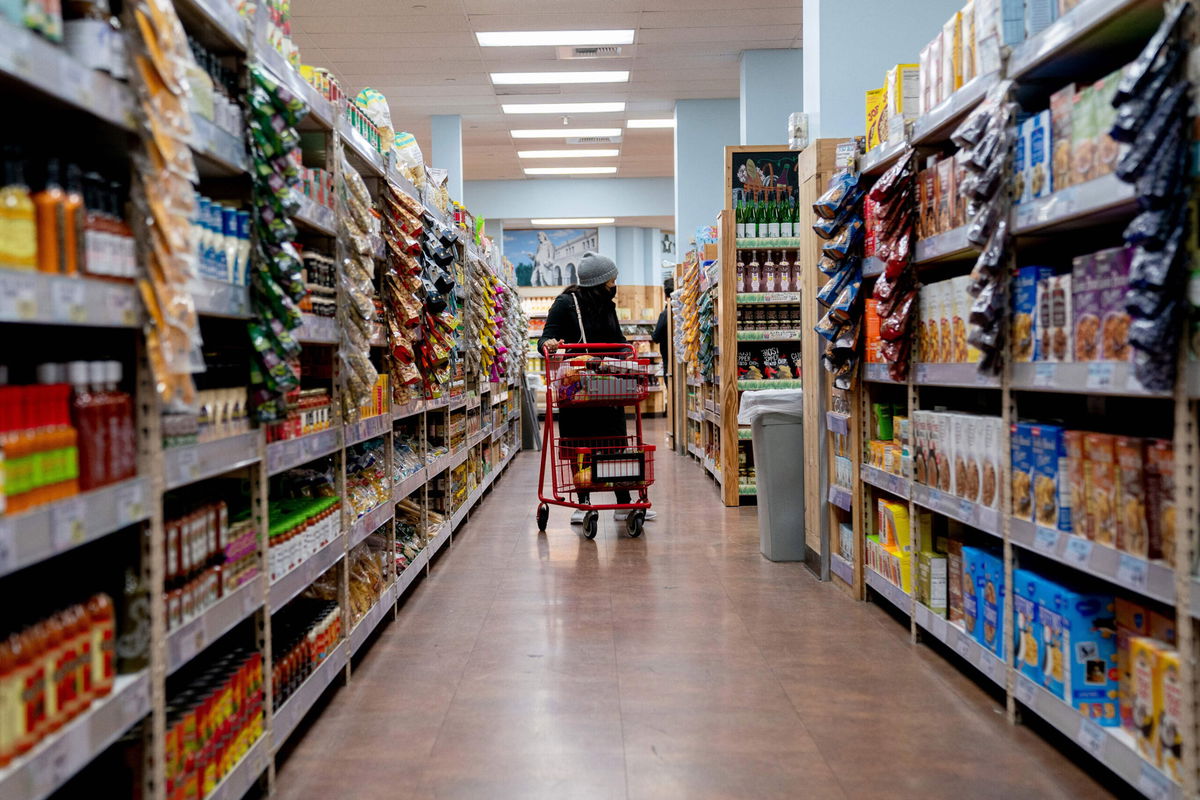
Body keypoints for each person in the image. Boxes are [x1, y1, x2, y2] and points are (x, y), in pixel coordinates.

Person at [538, 252, 657, 525]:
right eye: (611, 281)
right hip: (577, 391)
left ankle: (623, 503)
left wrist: (628, 353)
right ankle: (583, 504)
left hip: (607, 391)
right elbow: (545, 338)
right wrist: (549, 344)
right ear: (599, 283)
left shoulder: (607, 306)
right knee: (581, 447)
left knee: (615, 445)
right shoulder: (566, 304)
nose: (614, 285)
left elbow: (615, 340)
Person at [651, 278, 673, 417]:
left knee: (672, 392)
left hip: (669, 361)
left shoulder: (665, 314)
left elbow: (656, 337)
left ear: (665, 296)